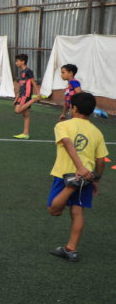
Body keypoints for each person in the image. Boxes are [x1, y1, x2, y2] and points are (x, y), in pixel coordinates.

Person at [45, 92, 107, 263]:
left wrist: (78, 168)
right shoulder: (97, 132)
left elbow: (67, 143)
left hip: (65, 175)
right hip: (86, 178)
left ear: (74, 108)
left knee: (53, 210)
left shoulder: (63, 126)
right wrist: (96, 180)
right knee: (78, 212)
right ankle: (71, 250)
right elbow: (101, 160)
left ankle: (72, 185)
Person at [12, 53, 37, 139]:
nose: (16, 63)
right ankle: (25, 133)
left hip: (26, 95)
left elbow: (34, 82)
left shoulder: (28, 71)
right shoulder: (22, 72)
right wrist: (16, 98)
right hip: (22, 95)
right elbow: (21, 86)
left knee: (17, 110)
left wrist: (37, 94)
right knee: (25, 114)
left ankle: (33, 100)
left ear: (23, 62)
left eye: (17, 61)